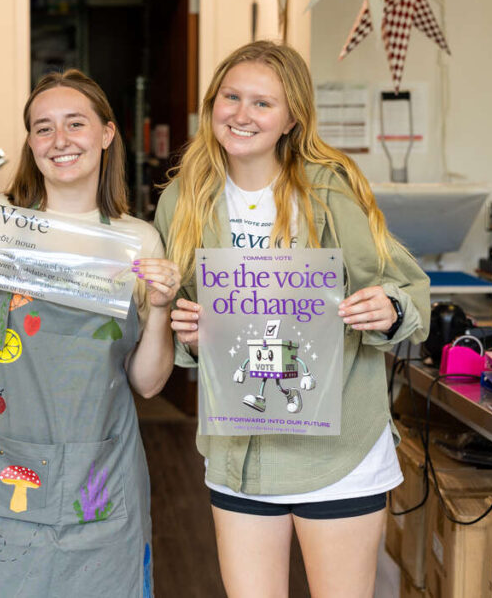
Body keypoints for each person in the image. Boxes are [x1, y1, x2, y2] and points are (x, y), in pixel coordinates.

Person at [154, 41, 430, 598]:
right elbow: (182, 324)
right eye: (231, 97)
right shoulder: (184, 199)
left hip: (337, 448)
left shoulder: (328, 191)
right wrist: (185, 330)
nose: (241, 114)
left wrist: (388, 307)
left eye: (262, 103)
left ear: (291, 118)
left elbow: (408, 290)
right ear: (212, 104)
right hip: (242, 451)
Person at [0, 69, 180, 596]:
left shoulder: (137, 241)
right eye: (43, 128)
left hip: (99, 467)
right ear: (30, 142)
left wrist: (159, 310)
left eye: (75, 124)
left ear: (107, 133)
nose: (59, 141)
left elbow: (150, 383)